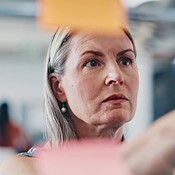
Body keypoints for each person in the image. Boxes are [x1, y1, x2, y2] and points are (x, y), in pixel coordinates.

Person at [0, 26, 175, 175]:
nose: (116, 75)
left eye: (125, 61)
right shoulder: (26, 169)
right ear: (58, 87)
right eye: (92, 63)